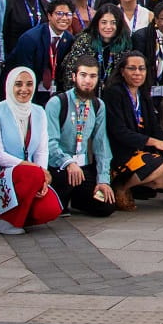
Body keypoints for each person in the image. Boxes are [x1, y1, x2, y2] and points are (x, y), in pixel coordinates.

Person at [0, 66, 63, 235]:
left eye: (29, 84)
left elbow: (41, 150)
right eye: (18, 84)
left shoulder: (39, 112)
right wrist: (35, 169)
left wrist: (42, 176)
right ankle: (3, 221)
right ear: (9, 85)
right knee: (32, 174)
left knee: (50, 209)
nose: (24, 89)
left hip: (27, 178)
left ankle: (17, 216)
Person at [104, 50, 163, 208]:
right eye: (132, 68)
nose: (137, 73)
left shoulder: (143, 95)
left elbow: (155, 129)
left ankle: (131, 186)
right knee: (160, 166)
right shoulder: (113, 93)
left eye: (141, 68)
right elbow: (118, 131)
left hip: (141, 153)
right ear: (122, 71)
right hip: (121, 152)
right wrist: (154, 142)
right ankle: (121, 188)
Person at [45, 61, 117, 217]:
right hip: (60, 167)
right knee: (56, 207)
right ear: (74, 77)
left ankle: (77, 199)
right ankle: (61, 200)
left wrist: (103, 180)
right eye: (83, 75)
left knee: (106, 205)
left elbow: (102, 145)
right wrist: (68, 162)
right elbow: (49, 143)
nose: (88, 81)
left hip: (83, 168)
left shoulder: (98, 105)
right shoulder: (57, 102)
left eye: (93, 76)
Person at [5, 0, 76, 105]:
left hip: (55, 92)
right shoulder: (30, 38)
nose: (64, 18)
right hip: (28, 91)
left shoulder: (69, 39)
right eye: (59, 14)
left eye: (68, 14)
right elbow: (24, 72)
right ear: (49, 16)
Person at [68, 4, 132, 84]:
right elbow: (70, 71)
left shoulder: (125, 44)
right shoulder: (84, 40)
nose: (108, 27)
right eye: (104, 22)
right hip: (85, 88)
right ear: (97, 23)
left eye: (113, 23)